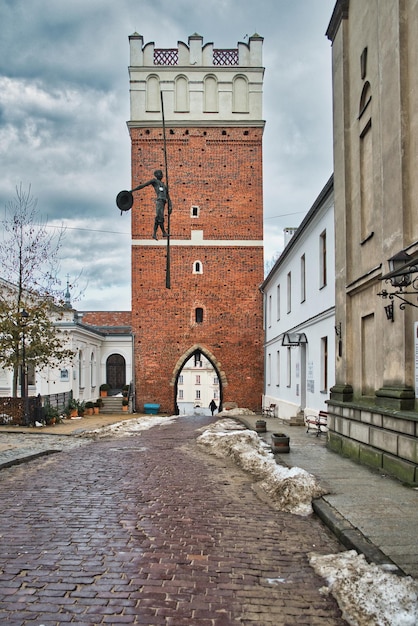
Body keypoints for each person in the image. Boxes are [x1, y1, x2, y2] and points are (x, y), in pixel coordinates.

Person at [131, 169, 172, 240]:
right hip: (159, 201)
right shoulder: (154, 181)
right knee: (160, 218)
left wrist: (170, 206)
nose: (161, 175)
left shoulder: (164, 185)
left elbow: (168, 197)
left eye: (161, 173)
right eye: (160, 173)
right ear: (156, 175)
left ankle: (155, 234)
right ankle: (163, 232)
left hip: (163, 202)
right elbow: (143, 185)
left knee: (158, 218)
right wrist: (132, 190)